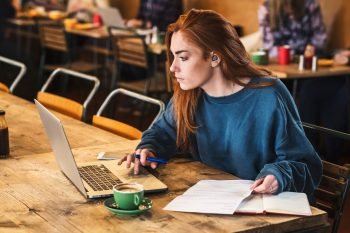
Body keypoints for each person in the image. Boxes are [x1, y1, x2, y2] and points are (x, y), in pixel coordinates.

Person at [118, 9, 322, 200]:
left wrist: (277, 177)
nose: (172, 67)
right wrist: (148, 150)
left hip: (259, 206)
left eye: (183, 57)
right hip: (207, 201)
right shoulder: (189, 93)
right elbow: (161, 133)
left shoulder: (268, 96)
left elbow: (304, 164)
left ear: (214, 57)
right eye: (173, 57)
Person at [258, 0, 348, 162]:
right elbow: (269, 46)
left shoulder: (309, 4)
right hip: (283, 66)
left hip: (309, 66)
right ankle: (289, 151)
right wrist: (293, 54)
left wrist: (312, 49)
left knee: (321, 89)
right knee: (277, 90)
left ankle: (316, 153)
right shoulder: (267, 8)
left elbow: (320, 39)